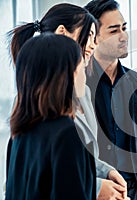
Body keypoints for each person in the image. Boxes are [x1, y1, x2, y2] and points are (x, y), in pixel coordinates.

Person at [6, 3, 127, 199]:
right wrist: (95, 188)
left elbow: (79, 159)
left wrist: (106, 173)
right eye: (89, 36)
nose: (94, 45)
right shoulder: (63, 131)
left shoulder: (22, 129)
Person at [84, 0, 137, 199]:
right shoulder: (78, 82)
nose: (124, 36)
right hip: (95, 190)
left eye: (124, 28)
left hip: (134, 191)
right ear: (94, 37)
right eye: (114, 31)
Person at [6, 33, 95, 199]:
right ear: (69, 75)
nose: (85, 76)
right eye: (82, 68)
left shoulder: (17, 136)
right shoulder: (66, 134)